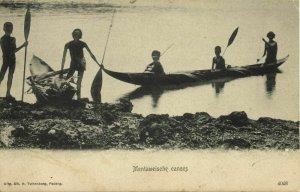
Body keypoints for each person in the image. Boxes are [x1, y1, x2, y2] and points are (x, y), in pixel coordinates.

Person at [60, 28, 100, 99]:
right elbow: (64, 58)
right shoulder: (68, 44)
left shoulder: (83, 44)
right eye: (75, 34)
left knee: (79, 82)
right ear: (73, 35)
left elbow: (91, 54)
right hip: (73, 63)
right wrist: (61, 70)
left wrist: (98, 64)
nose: (76, 36)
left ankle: (78, 98)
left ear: (80, 36)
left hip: (81, 63)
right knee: (67, 80)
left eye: (78, 34)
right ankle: (64, 96)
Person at [0, 22, 28, 100]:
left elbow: (11, 51)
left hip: (9, 60)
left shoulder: (3, 39)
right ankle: (8, 94)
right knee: (4, 76)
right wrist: (23, 45)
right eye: (8, 29)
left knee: (7, 76)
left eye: (9, 29)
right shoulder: (9, 39)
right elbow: (13, 51)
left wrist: (23, 45)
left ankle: (8, 94)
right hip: (9, 60)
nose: (9, 30)